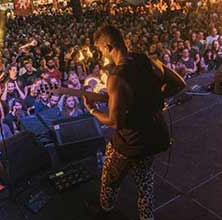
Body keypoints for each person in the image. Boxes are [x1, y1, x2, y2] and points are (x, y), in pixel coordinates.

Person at [83, 25, 185, 220]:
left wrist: (92, 110)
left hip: (130, 142)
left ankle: (105, 208)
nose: (101, 54)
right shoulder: (146, 60)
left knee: (109, 178)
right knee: (145, 182)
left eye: (101, 50)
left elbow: (114, 122)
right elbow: (179, 84)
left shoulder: (116, 77)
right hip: (154, 136)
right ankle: (147, 217)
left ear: (108, 46)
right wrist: (154, 101)